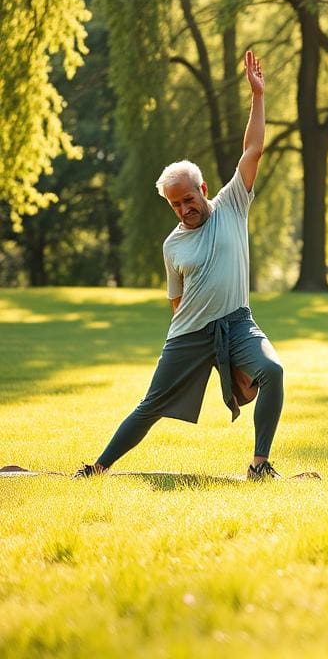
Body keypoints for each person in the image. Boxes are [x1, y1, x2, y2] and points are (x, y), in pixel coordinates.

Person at [74, 51, 285, 481]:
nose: (184, 209)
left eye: (189, 199)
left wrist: (257, 97)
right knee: (150, 404)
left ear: (203, 189)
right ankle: (97, 468)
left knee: (273, 371)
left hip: (237, 323)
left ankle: (260, 465)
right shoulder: (173, 244)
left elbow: (253, 148)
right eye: (175, 204)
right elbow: (176, 300)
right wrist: (198, 344)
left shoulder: (231, 204)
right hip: (189, 333)